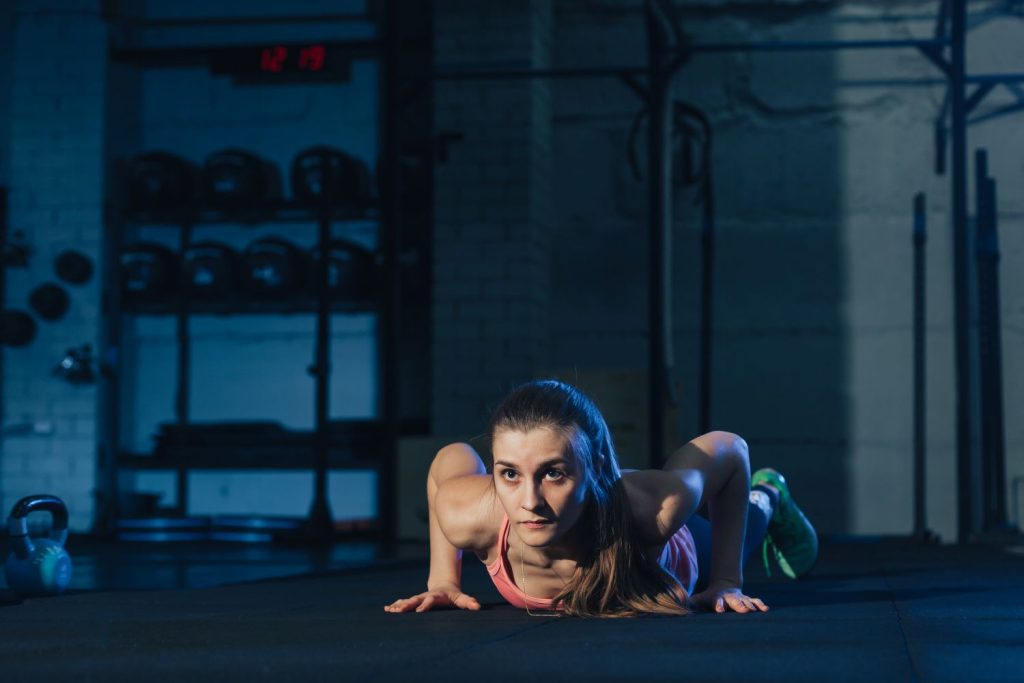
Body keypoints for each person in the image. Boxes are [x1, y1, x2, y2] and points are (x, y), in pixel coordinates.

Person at [385, 379, 818, 618]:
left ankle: (770, 493)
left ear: (592, 468)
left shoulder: (653, 510)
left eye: (553, 473)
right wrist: (444, 579)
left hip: (680, 548)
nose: (530, 501)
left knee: (746, 535)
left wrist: (726, 580)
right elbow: (451, 459)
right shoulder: (470, 516)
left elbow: (730, 449)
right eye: (510, 474)